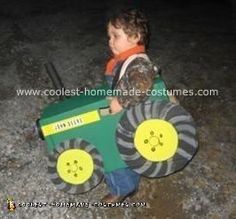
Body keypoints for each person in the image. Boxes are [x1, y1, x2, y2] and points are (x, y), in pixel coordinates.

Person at [102, 8, 158, 203]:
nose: (110, 41)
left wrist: (121, 101)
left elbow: (141, 84)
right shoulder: (123, 60)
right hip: (125, 114)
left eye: (115, 35)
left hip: (131, 117)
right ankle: (128, 179)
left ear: (135, 36)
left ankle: (122, 187)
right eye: (109, 36)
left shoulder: (139, 63)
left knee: (109, 145)